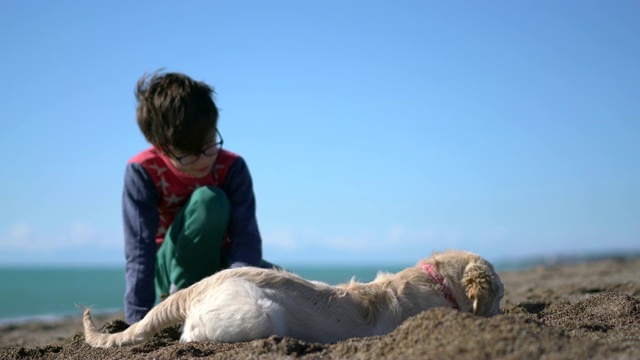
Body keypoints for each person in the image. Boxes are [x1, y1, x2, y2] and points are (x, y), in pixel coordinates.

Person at [123, 71, 270, 324]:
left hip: (219, 262)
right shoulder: (142, 171)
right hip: (168, 268)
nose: (204, 159)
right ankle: (180, 298)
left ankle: (220, 298)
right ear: (160, 145)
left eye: (209, 144)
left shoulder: (232, 167)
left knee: (285, 285)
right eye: (188, 154)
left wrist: (240, 290)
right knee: (208, 201)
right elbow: (140, 250)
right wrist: (137, 320)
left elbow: (246, 238)